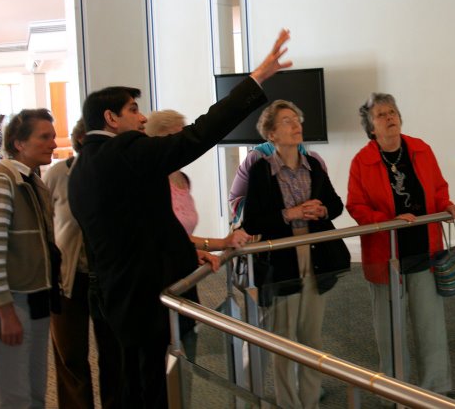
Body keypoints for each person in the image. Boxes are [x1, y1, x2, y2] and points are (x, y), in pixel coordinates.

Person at [67, 28, 291, 409]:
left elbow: (143, 221)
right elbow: (197, 136)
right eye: (134, 110)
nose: (143, 119)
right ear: (110, 118)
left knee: (123, 383)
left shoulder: (81, 166)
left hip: (111, 295)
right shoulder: (125, 151)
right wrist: (253, 82)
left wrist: (189, 252)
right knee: (151, 386)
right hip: (145, 296)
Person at [346, 92, 455, 394]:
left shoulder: (421, 149)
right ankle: (395, 390)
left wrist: (446, 205)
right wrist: (388, 220)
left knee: (430, 324)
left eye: (392, 111)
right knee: (389, 329)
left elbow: (438, 187)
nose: (389, 117)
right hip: (386, 256)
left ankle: (436, 387)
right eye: (381, 114)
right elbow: (356, 206)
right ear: (371, 128)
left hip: (425, 248)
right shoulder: (362, 161)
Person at [242, 100, 349, 409]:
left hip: (316, 258)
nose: (296, 125)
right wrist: (289, 214)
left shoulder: (313, 165)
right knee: (284, 343)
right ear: (272, 133)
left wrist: (323, 209)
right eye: (287, 121)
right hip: (281, 259)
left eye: (297, 119)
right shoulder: (261, 170)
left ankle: (311, 401)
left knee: (312, 340)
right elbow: (252, 221)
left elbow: (337, 205)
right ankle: (289, 404)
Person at [0, 109, 59, 408]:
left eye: (53, 136)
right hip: (10, 303)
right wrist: (5, 313)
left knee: (33, 392)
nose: (53, 144)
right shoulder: (2, 182)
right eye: (44, 137)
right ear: (19, 143)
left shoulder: (31, 181)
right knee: (12, 396)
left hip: (35, 298)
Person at [45, 118, 121, 409]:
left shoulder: (118, 176)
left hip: (107, 278)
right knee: (70, 357)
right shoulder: (56, 175)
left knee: (114, 355)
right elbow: (48, 222)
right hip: (69, 277)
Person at [145, 109, 250, 260]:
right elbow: (169, 237)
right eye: (176, 137)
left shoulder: (183, 180)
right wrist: (222, 243)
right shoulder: (153, 183)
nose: (183, 144)